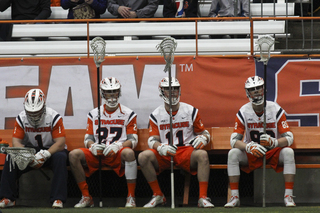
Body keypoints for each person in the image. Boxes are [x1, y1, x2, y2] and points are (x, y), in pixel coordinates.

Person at [138, 77, 214, 208]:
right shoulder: (156, 114)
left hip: (186, 150)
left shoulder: (190, 111)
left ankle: (203, 197)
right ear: (162, 92)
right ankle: (158, 195)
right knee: (143, 157)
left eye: (175, 88)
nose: (172, 92)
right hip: (166, 151)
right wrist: (160, 147)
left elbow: (204, 133)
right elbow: (152, 140)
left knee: (202, 155)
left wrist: (203, 138)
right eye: (168, 89)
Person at [224, 76, 296, 208]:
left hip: (273, 151)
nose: (256, 91)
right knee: (233, 154)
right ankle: (234, 196)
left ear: (264, 89)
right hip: (254, 152)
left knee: (289, 152)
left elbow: (289, 138)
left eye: (259, 88)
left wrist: (274, 142)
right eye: (252, 89)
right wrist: (248, 147)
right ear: (247, 93)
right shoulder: (243, 111)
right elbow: (233, 141)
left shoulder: (275, 108)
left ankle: (288, 195)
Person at [69, 77, 138, 208]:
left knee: (129, 153)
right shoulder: (94, 113)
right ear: (102, 93)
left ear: (119, 92)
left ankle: (131, 196)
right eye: (108, 91)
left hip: (117, 152)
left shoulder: (128, 114)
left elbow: (133, 140)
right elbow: (88, 139)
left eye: (114, 91)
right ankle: (86, 196)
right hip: (98, 153)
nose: (112, 95)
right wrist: (92, 146)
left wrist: (118, 146)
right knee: (73, 155)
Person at [0, 89, 68, 208]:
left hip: (51, 151)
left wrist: (45, 154)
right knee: (11, 157)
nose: (34, 115)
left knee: (61, 158)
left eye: (37, 111)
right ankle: (8, 197)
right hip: (30, 151)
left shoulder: (53, 117)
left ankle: (58, 198)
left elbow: (60, 143)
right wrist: (27, 156)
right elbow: (16, 142)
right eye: (31, 112)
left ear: (44, 107)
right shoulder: (21, 118)